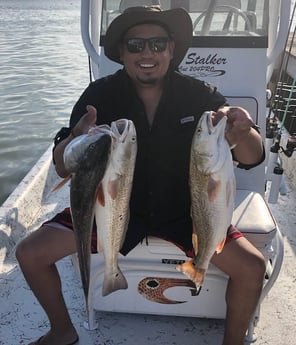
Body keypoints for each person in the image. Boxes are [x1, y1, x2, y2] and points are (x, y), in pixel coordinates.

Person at [16, 5, 266, 345]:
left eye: (158, 44)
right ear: (122, 52)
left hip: (186, 213)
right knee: (29, 254)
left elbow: (252, 157)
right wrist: (75, 140)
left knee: (252, 267)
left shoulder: (201, 95)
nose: (147, 53)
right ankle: (62, 331)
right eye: (136, 45)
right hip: (108, 209)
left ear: (172, 49)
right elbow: (62, 164)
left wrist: (242, 130)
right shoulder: (99, 95)